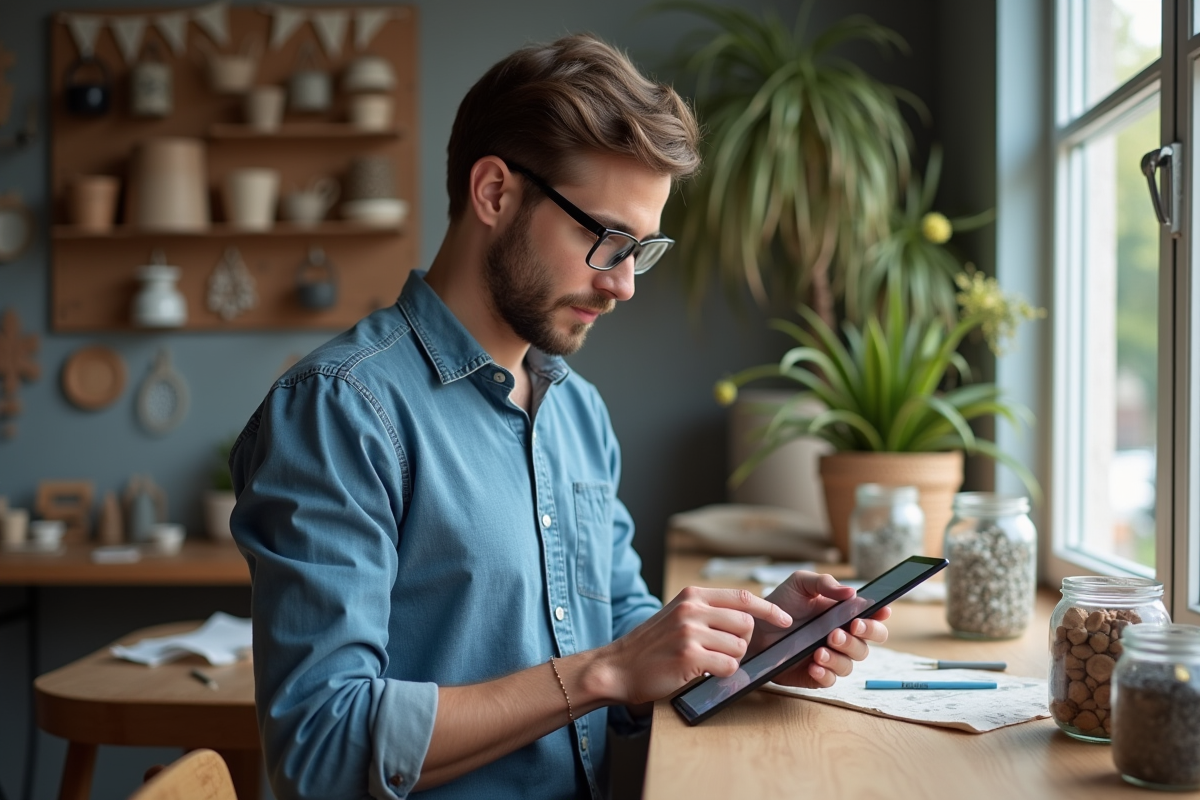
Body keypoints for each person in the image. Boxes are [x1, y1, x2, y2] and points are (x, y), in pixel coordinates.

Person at [229, 33, 890, 800]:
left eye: (641, 250)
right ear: (494, 193)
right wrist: (604, 672)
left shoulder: (576, 411)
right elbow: (319, 747)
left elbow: (622, 631)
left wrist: (748, 644)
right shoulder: (340, 410)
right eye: (605, 239)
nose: (624, 285)